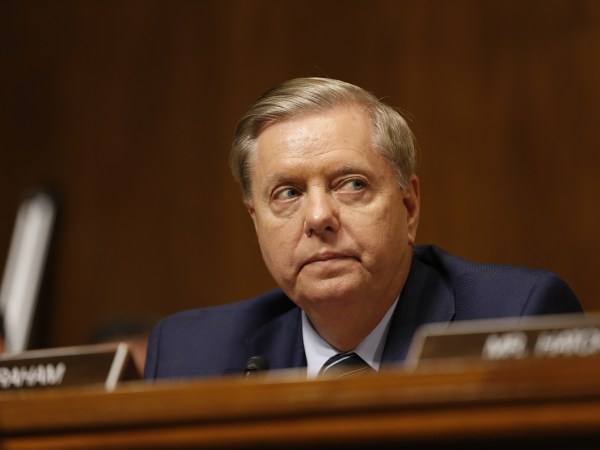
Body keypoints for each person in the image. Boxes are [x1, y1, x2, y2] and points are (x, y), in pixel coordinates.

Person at [144, 77, 583, 380]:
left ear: (409, 207)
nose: (318, 217)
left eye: (351, 184)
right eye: (288, 193)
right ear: (256, 222)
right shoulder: (189, 354)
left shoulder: (515, 318)